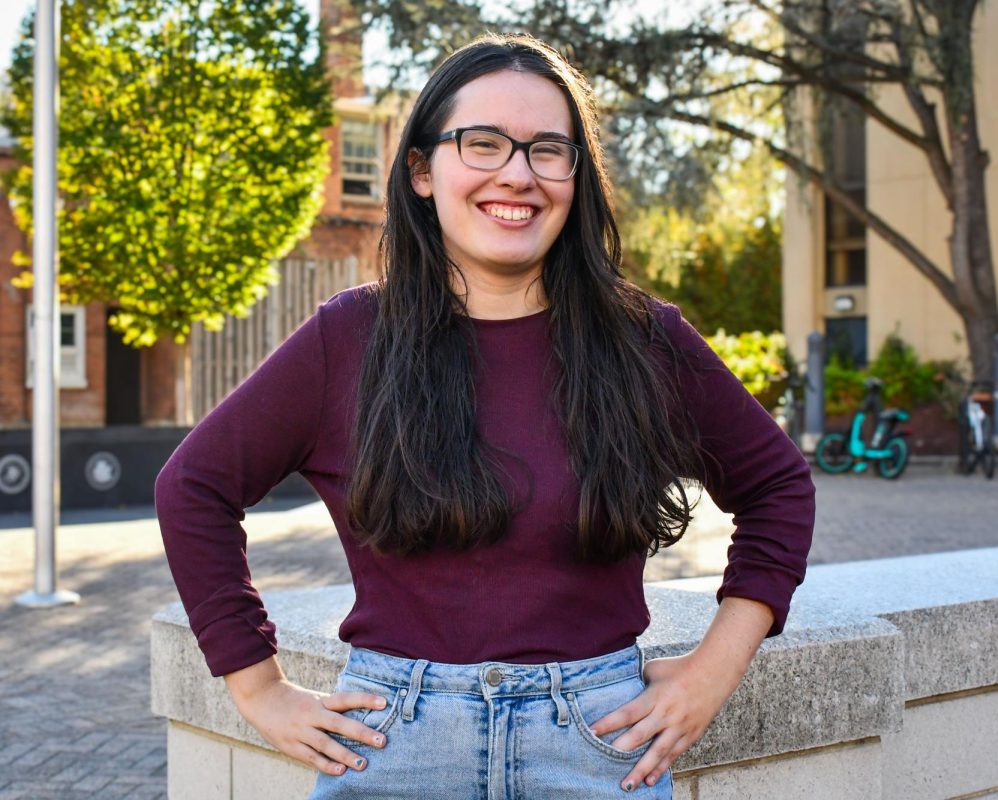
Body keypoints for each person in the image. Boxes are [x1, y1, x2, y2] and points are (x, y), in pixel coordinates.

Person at [155, 32, 815, 799]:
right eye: (483, 144)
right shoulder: (348, 339)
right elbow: (193, 487)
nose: (518, 174)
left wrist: (714, 669)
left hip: (601, 745)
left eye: (547, 150)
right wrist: (257, 687)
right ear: (421, 171)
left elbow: (778, 487)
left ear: (577, 175)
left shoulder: (646, 340)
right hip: (394, 744)